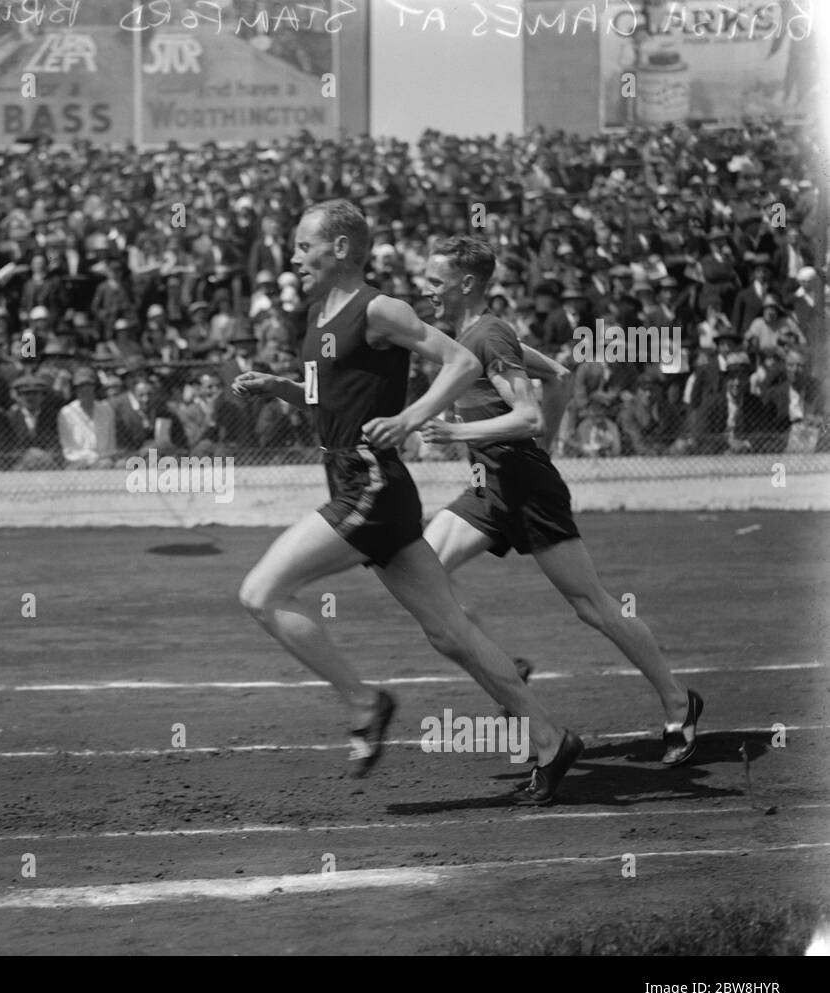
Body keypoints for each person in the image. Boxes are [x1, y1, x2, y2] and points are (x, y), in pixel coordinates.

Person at [232, 200, 583, 805]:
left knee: (260, 593)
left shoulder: (380, 308)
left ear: (341, 248)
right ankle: (551, 740)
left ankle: (365, 702)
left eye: (303, 246)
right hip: (357, 480)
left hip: (370, 483)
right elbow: (326, 399)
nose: (293, 258)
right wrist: (280, 389)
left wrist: (411, 416)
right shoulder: (319, 315)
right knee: (450, 633)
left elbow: (462, 360)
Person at [416, 236, 702, 767]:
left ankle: (678, 701)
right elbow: (560, 376)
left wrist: (467, 437)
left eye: (435, 281)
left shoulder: (492, 332)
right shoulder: (467, 335)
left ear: (467, 284)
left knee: (591, 606)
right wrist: (535, 444)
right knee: (422, 572)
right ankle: (506, 669)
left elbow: (527, 416)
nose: (426, 289)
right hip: (487, 488)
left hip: (525, 490)